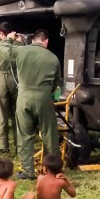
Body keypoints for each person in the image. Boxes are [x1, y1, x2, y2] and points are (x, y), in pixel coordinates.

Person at [11, 29, 62, 180]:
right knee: (49, 135)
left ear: (33, 40)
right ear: (46, 41)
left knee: (25, 135)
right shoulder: (53, 58)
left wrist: (9, 39)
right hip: (44, 98)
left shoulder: (21, 51)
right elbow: (56, 83)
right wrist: (46, 92)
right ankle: (51, 170)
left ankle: (27, 171)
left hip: (24, 97)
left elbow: (2, 51)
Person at [0, 22, 23, 154]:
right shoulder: (19, 46)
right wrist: (19, 42)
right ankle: (19, 144)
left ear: (1, 33)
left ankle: (3, 145)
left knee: (1, 113)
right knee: (17, 113)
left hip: (1, 78)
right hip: (15, 78)